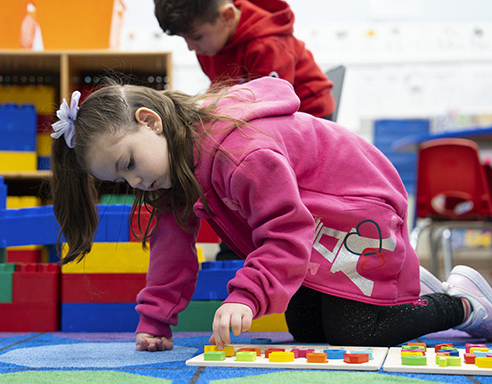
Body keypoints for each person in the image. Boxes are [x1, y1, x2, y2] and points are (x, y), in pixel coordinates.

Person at [50, 76, 492, 352]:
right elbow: (170, 250)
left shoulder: (239, 153)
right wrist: (156, 320)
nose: (135, 183)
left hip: (360, 209)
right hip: (318, 224)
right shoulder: (170, 172)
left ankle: (462, 303)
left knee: (357, 331)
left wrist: (246, 295)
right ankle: (402, 285)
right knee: (305, 326)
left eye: (128, 164)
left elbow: (284, 231)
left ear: (150, 121)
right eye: (120, 180)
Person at [153, 0, 335, 119]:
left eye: (196, 37)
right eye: (183, 38)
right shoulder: (211, 43)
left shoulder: (267, 46)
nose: (191, 47)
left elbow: (274, 109)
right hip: (257, 108)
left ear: (227, 16)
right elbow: (224, 89)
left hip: (309, 115)